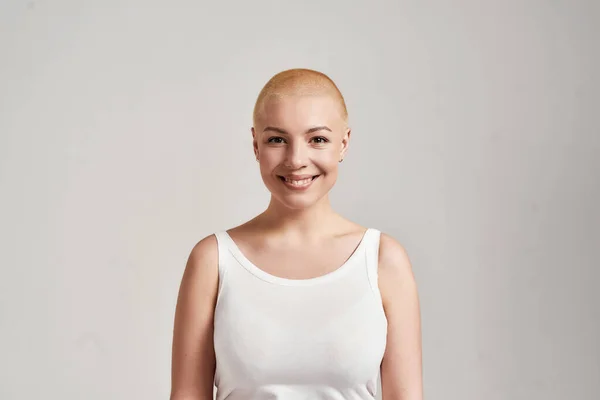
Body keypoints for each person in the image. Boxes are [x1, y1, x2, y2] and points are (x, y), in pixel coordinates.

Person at [170, 68, 423, 400]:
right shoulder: (213, 260)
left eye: (317, 139)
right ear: (256, 145)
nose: (296, 160)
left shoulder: (383, 260)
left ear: (343, 143)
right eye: (277, 139)